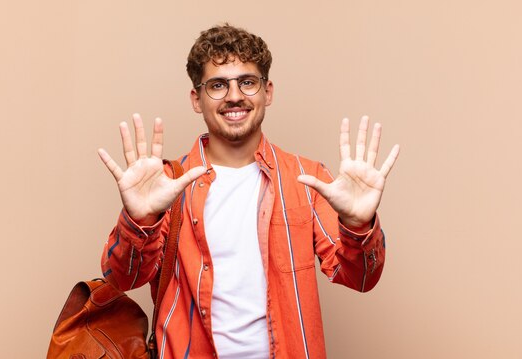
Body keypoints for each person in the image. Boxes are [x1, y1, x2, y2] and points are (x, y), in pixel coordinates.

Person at [98, 24, 400, 359]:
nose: (234, 95)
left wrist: (359, 225)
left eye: (247, 82)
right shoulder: (168, 185)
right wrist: (140, 220)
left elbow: (361, 278)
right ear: (196, 100)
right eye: (217, 85)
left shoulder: (307, 177)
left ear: (267, 92)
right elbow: (123, 278)